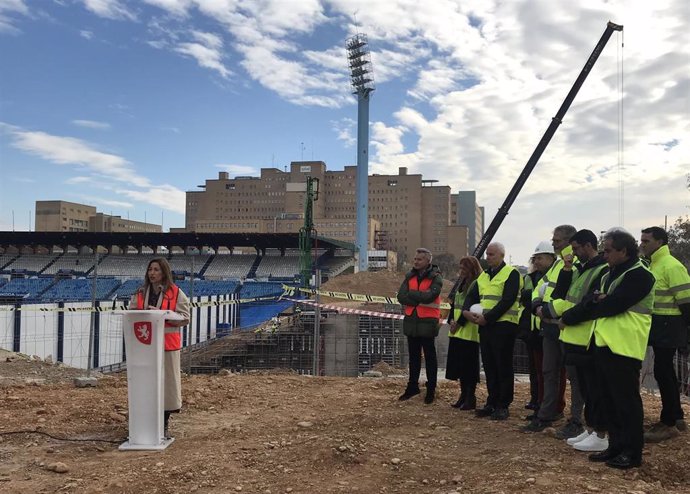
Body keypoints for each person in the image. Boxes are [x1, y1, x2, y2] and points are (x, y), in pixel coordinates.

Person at [562, 229, 654, 469]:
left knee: (626, 402)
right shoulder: (610, 274)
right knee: (608, 400)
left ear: (624, 251)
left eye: (609, 250)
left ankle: (632, 452)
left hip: (625, 346)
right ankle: (615, 446)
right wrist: (598, 300)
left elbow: (614, 305)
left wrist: (601, 301)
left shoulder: (640, 275)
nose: (605, 255)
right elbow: (593, 303)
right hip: (603, 343)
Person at [545, 229, 609, 449]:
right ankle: (590, 429)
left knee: (590, 387)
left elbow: (588, 303)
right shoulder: (580, 269)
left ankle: (595, 431)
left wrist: (567, 319)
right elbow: (560, 295)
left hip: (587, 335)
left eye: (576, 249)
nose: (573, 254)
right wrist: (567, 267)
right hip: (574, 335)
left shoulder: (601, 270)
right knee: (582, 384)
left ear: (588, 246)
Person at [524, 225, 583, 433]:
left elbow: (571, 297)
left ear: (569, 241)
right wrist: (537, 305)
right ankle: (546, 414)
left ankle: (577, 419)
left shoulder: (576, 265)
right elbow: (540, 288)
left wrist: (546, 309)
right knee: (549, 372)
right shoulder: (558, 265)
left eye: (557, 241)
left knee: (574, 377)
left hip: (566, 326)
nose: (554, 244)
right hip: (548, 327)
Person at [130, 257, 190, 438]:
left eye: (156, 270)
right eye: (150, 270)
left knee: (166, 386)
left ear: (164, 272)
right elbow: (131, 313)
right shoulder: (140, 293)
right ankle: (144, 423)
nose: (152, 273)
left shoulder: (176, 293)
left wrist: (163, 315)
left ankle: (163, 423)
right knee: (146, 385)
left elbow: (185, 317)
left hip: (167, 346)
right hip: (144, 347)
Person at [460, 242, 521, 420]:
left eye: (492, 254)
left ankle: (503, 404)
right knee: (489, 366)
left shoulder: (511, 273)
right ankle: (491, 402)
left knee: (503, 366)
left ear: (502, 255)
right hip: (485, 326)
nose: (488, 258)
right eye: (487, 254)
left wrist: (488, 318)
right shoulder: (484, 276)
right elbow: (471, 295)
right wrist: (466, 312)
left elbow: (507, 300)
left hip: (503, 326)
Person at [640, 226, 690, 443]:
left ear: (659, 242)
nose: (642, 244)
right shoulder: (655, 264)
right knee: (664, 372)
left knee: (664, 372)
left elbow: (687, 302)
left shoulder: (671, 266)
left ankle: (668, 422)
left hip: (670, 326)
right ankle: (675, 416)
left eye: (646, 241)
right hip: (660, 325)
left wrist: (686, 335)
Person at [397, 248, 443, 404]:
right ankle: (412, 387)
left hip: (428, 322)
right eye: (415, 259)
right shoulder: (409, 276)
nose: (416, 261)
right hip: (412, 321)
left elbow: (431, 295)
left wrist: (413, 295)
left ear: (427, 261)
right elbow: (401, 296)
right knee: (414, 357)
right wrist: (418, 298)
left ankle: (431, 389)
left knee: (430, 357)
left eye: (419, 259)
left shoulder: (436, 277)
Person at [518, 241, 556, 415]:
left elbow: (532, 298)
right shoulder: (529, 277)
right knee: (535, 369)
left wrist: (534, 300)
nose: (537, 261)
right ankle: (536, 399)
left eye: (540, 258)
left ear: (550, 258)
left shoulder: (553, 276)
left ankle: (547, 404)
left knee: (547, 370)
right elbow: (526, 298)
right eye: (535, 258)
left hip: (547, 328)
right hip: (532, 329)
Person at [446, 256, 483, 410]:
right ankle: (463, 395)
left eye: (464, 268)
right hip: (458, 331)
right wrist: (451, 322)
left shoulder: (476, 284)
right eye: (460, 268)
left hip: (469, 331)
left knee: (469, 368)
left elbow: (469, 307)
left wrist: (458, 323)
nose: (461, 271)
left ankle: (470, 397)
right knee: (460, 367)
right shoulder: (461, 284)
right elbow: (456, 305)